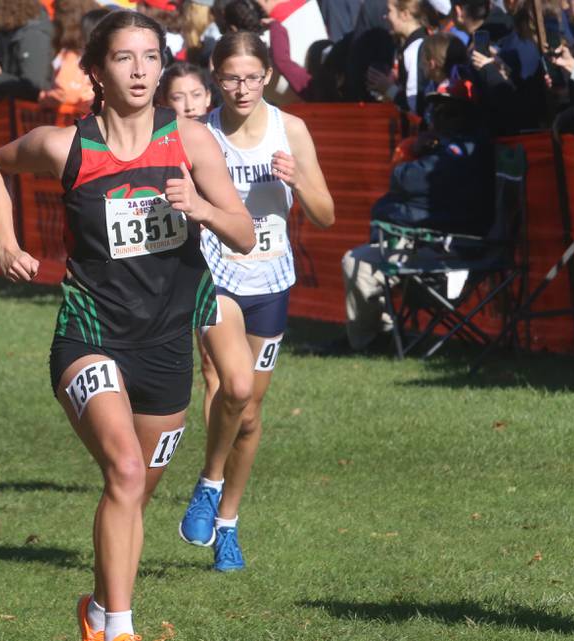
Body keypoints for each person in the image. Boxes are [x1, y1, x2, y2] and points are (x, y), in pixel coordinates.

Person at [0, 11, 254, 641]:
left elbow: (242, 235)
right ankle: (121, 631)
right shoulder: (64, 145)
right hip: (91, 334)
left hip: (165, 345)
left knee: (132, 494)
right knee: (127, 474)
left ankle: (100, 613)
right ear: (97, 70)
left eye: (152, 57)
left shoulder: (191, 141)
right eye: (125, 58)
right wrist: (4, 241)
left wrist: (203, 208)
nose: (141, 70)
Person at [178, 31, 334, 571]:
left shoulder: (290, 130)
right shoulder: (198, 134)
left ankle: (227, 524)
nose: (241, 88)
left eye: (251, 77)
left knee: (248, 412)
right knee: (233, 386)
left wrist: (299, 182)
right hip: (218, 276)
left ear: (267, 75)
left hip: (272, 280)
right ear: (213, 78)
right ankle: (208, 483)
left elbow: (326, 213)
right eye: (229, 78)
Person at [340, 76, 495, 351]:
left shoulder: (466, 149)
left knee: (358, 262)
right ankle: (382, 336)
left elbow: (409, 180)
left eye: (449, 112)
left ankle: (373, 341)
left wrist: (411, 152)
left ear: (467, 115)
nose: (439, 119)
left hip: (451, 252)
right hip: (425, 245)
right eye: (435, 112)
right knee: (357, 260)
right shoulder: (446, 147)